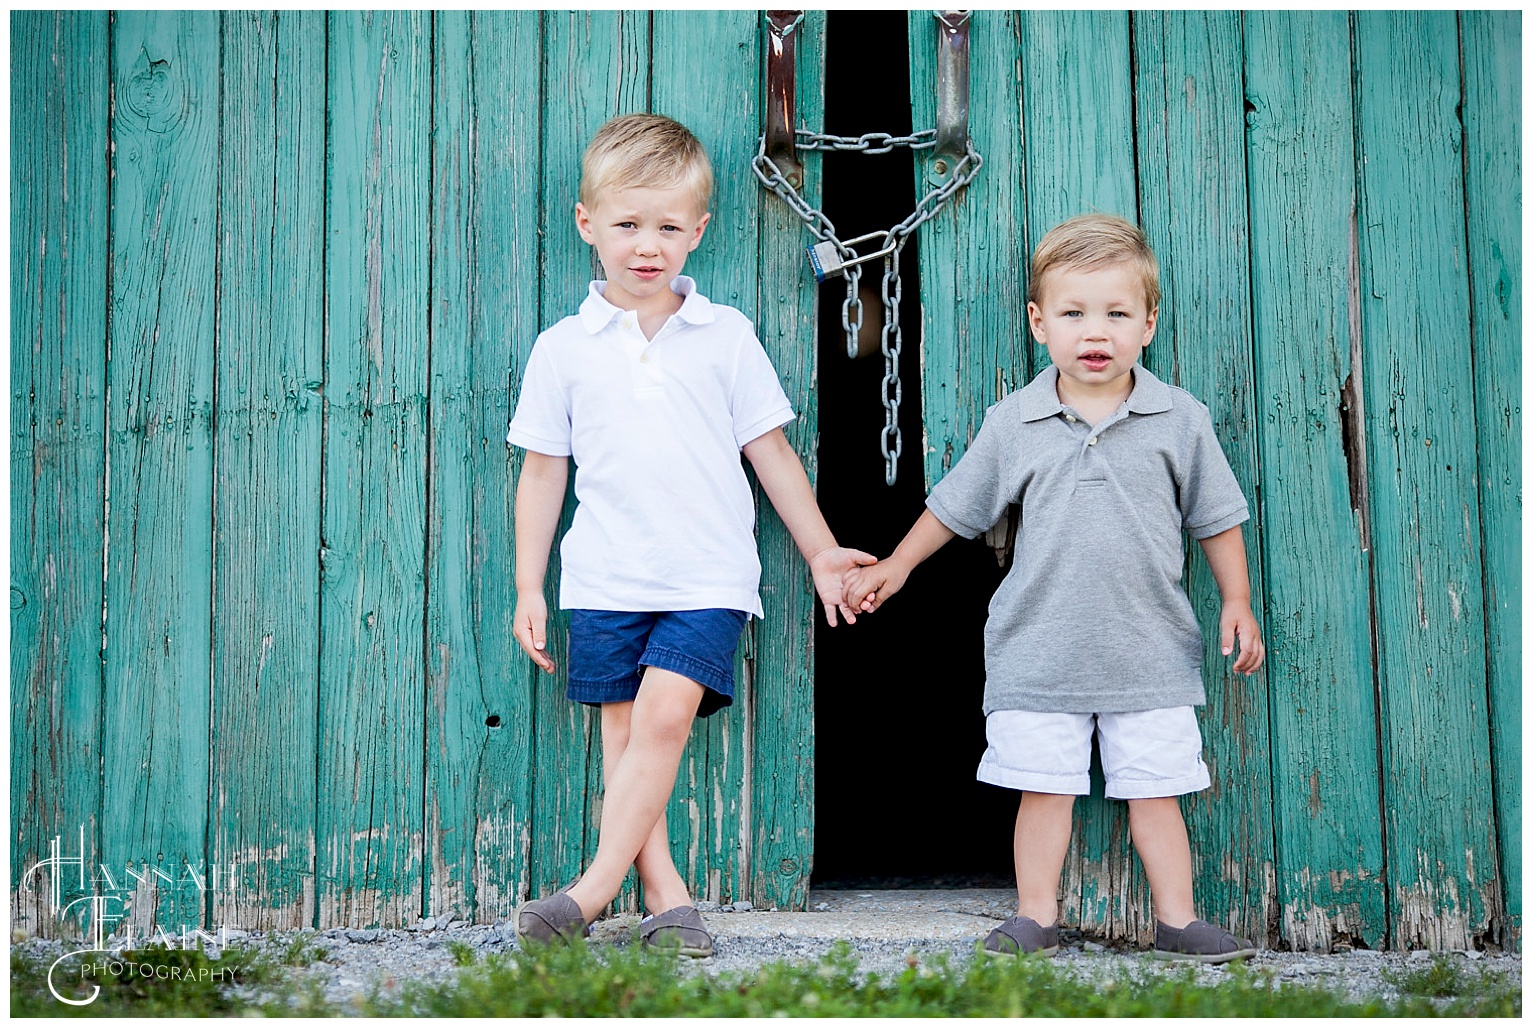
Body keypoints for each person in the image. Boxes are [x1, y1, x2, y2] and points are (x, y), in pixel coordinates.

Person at [843, 213, 1265, 963]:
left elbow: (1217, 517)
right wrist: (896, 565)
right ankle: (1036, 916)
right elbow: (956, 507)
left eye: (1115, 312)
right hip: (1038, 651)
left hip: (1150, 653)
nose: (1093, 330)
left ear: (1148, 323)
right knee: (1045, 791)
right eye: (1072, 312)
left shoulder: (1179, 420)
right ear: (1040, 323)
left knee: (1155, 792)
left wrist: (1235, 598)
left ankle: (1178, 918)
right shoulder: (1017, 423)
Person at [507, 113, 873, 958]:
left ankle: (590, 892)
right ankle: (666, 897)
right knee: (627, 742)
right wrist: (531, 584)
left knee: (665, 718)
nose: (648, 246)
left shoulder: (724, 336)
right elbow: (541, 474)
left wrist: (820, 549)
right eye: (628, 225)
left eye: (669, 227)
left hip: (706, 576)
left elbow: (770, 452)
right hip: (603, 577)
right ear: (587, 223)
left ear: (698, 231)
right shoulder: (563, 349)